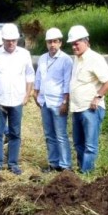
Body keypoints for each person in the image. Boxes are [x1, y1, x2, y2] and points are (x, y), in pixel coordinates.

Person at [0, 23, 35, 175]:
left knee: (15, 133)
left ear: (17, 39)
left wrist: (27, 94)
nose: (11, 43)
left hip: (17, 100)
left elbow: (30, 75)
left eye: (13, 40)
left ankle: (13, 163)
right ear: (3, 40)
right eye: (8, 40)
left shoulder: (24, 54)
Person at [67, 25, 108, 174]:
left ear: (86, 41)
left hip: (90, 108)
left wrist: (98, 96)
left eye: (77, 43)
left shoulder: (94, 58)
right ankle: (82, 169)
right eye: (72, 44)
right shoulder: (77, 59)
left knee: (90, 145)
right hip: (77, 107)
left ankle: (87, 173)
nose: (74, 47)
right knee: (78, 143)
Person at [33, 27, 73, 172]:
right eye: (50, 42)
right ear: (46, 43)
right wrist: (35, 93)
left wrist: (65, 101)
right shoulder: (43, 58)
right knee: (49, 135)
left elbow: (67, 82)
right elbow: (38, 77)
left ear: (60, 43)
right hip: (44, 101)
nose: (52, 45)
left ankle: (65, 165)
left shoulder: (66, 60)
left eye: (55, 42)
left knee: (61, 135)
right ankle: (53, 163)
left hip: (58, 102)